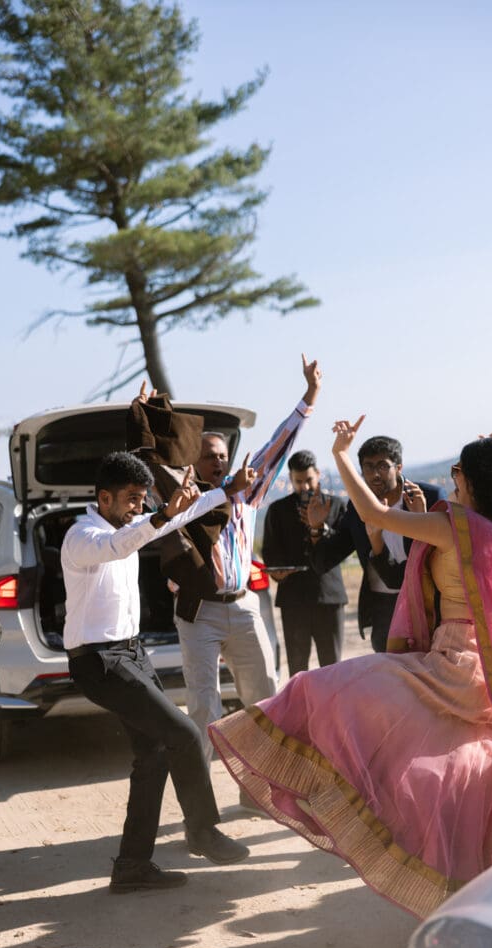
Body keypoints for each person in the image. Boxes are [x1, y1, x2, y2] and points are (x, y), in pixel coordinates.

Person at [209, 418, 492, 919]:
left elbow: (373, 512)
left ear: (477, 482)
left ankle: (457, 892)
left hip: (452, 663)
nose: (452, 479)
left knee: (321, 690)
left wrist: (339, 455)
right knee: (473, 777)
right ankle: (484, 893)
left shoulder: (455, 527)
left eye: (458, 472)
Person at [63, 451, 254, 893]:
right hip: (99, 661)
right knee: (185, 734)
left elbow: (172, 519)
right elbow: (119, 544)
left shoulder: (130, 526)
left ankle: (131, 866)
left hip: (131, 654)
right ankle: (203, 831)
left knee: (152, 755)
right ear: (104, 497)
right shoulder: (82, 536)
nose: (137, 507)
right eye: (131, 499)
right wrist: (157, 516)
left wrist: (225, 491)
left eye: (142, 499)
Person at [172, 355, 322, 764]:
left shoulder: (247, 488)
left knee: (265, 698)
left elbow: (279, 443)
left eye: (221, 455)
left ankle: (259, 791)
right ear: (193, 463)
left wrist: (308, 397)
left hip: (242, 607)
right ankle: (200, 807)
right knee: (203, 706)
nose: (217, 461)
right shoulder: (186, 500)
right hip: (198, 612)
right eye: (208, 456)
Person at [308, 434, 444, 652]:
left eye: (382, 465)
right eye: (368, 467)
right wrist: (316, 528)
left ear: (398, 467)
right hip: (384, 611)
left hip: (427, 605)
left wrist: (422, 518)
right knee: (388, 680)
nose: (374, 474)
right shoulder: (358, 508)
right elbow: (324, 561)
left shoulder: (428, 496)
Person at [262, 449, 347, 675]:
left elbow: (343, 546)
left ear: (318, 474)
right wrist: (276, 573)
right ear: (290, 479)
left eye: (308, 480)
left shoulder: (337, 505)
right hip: (293, 601)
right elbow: (270, 553)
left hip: (328, 598)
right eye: (298, 481)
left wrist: (320, 530)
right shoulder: (277, 510)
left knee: (333, 669)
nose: (305, 487)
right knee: (297, 670)